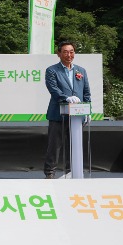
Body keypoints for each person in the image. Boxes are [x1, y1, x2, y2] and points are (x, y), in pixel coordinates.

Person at [44, 41, 91, 179]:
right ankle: (50, 173)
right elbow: (53, 89)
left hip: (76, 116)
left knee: (74, 145)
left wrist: (88, 110)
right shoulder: (52, 70)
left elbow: (86, 93)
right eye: (65, 52)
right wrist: (66, 98)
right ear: (59, 54)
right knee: (54, 146)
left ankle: (71, 172)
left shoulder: (81, 71)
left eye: (71, 52)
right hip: (58, 114)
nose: (68, 55)